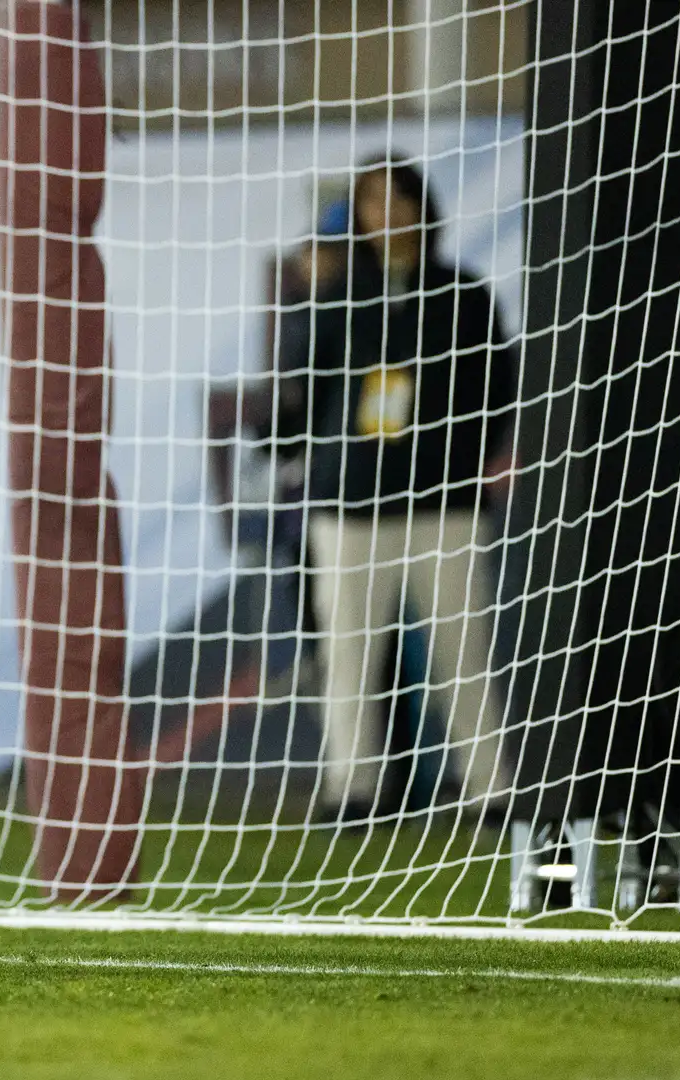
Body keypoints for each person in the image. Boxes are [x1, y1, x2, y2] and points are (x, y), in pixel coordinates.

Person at [274, 156, 518, 825]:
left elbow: (496, 389)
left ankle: (489, 785)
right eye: (372, 202)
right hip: (349, 504)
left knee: (461, 650)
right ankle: (354, 788)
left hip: (443, 503)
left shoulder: (465, 296)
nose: (387, 214)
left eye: (398, 199)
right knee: (348, 652)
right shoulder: (335, 296)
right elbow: (297, 382)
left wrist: (458, 459)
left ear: (423, 208)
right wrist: (319, 290)